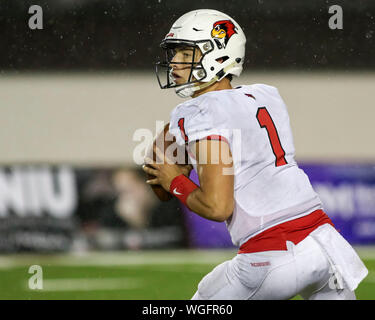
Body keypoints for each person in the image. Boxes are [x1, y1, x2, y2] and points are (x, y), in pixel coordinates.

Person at [142, 9, 368, 300]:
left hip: (273, 254)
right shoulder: (265, 95)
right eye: (175, 54)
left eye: (186, 54)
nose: (174, 62)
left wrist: (175, 180)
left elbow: (217, 206)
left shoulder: (197, 111)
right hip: (325, 246)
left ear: (218, 55)